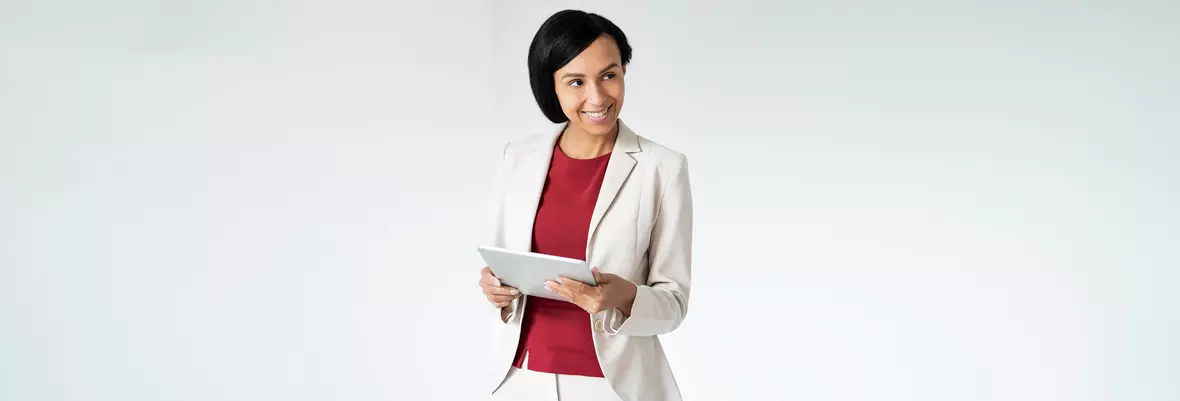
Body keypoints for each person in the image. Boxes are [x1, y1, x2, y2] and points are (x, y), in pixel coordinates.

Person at [478, 9, 694, 401]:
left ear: (624, 72)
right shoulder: (518, 159)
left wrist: (623, 296)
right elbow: (500, 266)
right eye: (576, 82)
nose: (597, 97)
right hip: (523, 380)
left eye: (609, 75)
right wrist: (494, 288)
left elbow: (674, 304)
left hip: (614, 386)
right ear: (551, 87)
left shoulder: (662, 168)